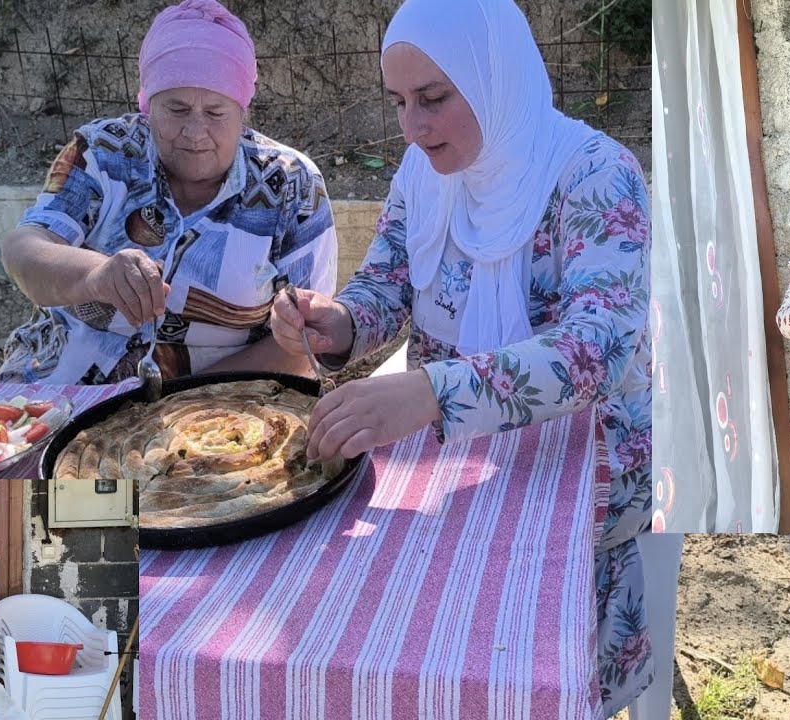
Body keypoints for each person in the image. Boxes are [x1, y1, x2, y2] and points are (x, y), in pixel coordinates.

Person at [269, 0, 652, 712]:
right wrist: (339, 324)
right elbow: (387, 283)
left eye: (435, 98)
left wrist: (430, 394)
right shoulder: (424, 173)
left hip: (581, 466)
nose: (413, 126)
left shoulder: (595, 174)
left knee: (530, 674)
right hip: (443, 455)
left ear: (493, 76)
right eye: (400, 102)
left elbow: (595, 350)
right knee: (415, 656)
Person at [0, 0, 337, 385]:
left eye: (215, 112)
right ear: (147, 105)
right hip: (61, 381)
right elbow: (20, 250)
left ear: (243, 112)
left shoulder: (292, 186)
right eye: (175, 109)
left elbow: (302, 343)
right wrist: (96, 276)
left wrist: (181, 401)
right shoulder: (104, 153)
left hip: (221, 403)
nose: (194, 132)